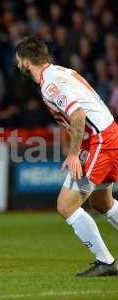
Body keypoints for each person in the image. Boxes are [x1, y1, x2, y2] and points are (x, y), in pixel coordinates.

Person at [15, 36, 118, 277]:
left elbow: (78, 114)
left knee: (66, 204)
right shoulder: (61, 72)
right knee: (102, 203)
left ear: (26, 62)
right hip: (106, 137)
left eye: (19, 62)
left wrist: (74, 154)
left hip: (101, 142)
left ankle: (106, 262)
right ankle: (106, 262)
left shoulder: (50, 85)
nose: (19, 66)